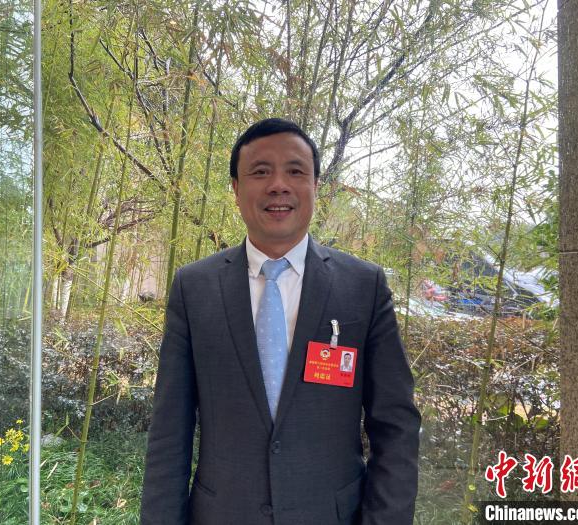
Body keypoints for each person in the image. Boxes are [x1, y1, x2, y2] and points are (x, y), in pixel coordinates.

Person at [141, 118, 420, 525]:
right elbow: (170, 431)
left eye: (295, 171)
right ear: (236, 189)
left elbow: (395, 426)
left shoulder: (363, 286)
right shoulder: (195, 287)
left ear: (316, 186)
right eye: (260, 172)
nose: (278, 185)